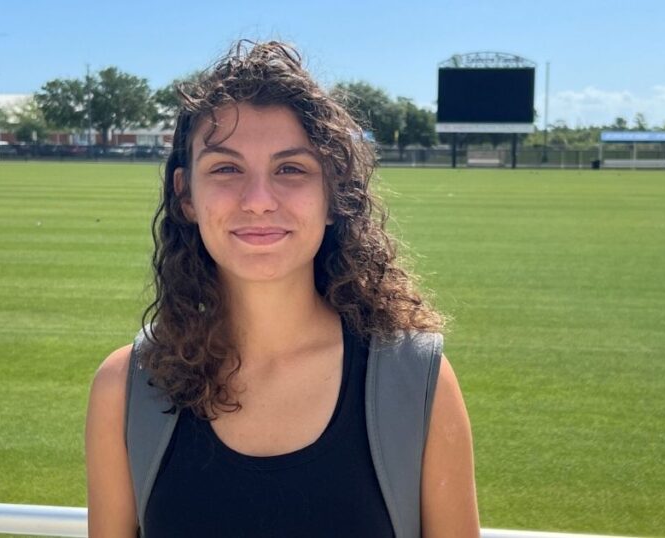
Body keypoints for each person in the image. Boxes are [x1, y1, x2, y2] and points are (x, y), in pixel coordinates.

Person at [85, 40, 479, 538]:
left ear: (334, 195)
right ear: (186, 195)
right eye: (226, 168)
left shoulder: (415, 380)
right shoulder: (125, 388)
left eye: (290, 169)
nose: (258, 201)